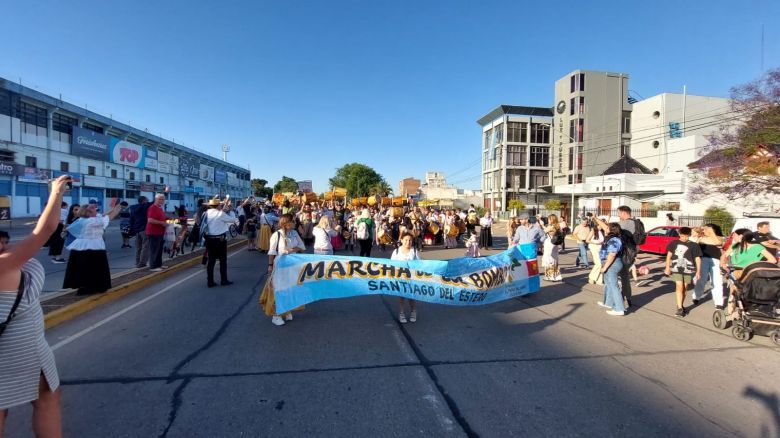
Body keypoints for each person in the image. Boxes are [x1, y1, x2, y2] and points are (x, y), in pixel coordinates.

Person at [0, 175, 70, 438]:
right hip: (19, 350)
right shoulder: (5, 264)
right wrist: (55, 192)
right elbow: (45, 229)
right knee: (46, 399)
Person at [62, 198, 122, 295]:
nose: (96, 210)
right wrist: (117, 209)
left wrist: (113, 208)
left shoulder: (86, 219)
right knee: (93, 267)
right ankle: (92, 287)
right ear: (88, 212)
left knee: (84, 267)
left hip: (83, 246)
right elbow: (109, 218)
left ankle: (88, 286)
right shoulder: (91, 221)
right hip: (92, 246)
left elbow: (103, 215)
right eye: (93, 209)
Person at [262, 213, 306, 326]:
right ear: (286, 223)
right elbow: (272, 252)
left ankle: (287, 310)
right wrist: (270, 265)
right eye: (293, 221)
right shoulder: (277, 235)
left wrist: (291, 250)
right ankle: (276, 315)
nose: (295, 223)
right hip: (280, 265)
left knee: (290, 288)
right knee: (279, 289)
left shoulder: (294, 233)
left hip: (293, 265)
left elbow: (302, 246)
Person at [664, 227, 703, 318]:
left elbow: (698, 258)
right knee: (679, 286)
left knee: (684, 288)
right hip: (676, 269)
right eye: (682, 236)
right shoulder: (674, 243)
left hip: (688, 270)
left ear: (689, 235)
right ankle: (680, 308)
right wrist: (667, 267)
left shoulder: (694, 245)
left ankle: (680, 305)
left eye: (686, 236)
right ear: (679, 234)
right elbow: (669, 256)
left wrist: (698, 271)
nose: (684, 238)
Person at [201, 197, 239, 287]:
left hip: (209, 239)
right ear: (218, 205)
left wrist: (224, 211)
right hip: (220, 240)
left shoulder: (206, 213)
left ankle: (210, 281)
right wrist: (230, 210)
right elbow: (233, 220)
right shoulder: (220, 214)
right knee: (223, 260)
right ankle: (223, 280)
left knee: (211, 261)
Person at [693, 224, 725, 309]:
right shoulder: (701, 238)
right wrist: (698, 232)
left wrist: (711, 232)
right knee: (701, 279)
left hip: (716, 261)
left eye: (705, 229)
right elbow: (694, 242)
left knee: (717, 282)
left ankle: (719, 303)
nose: (704, 230)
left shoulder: (719, 238)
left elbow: (718, 242)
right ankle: (696, 296)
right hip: (703, 259)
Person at [597, 223, 626, 316]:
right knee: (608, 284)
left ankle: (619, 308)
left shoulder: (614, 240)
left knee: (613, 286)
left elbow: (612, 254)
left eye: (607, 228)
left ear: (612, 230)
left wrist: (605, 267)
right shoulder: (612, 238)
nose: (605, 229)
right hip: (609, 263)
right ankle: (608, 303)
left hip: (612, 264)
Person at [392, 232, 420, 323]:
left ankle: (413, 311)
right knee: (401, 296)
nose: (408, 242)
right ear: (401, 240)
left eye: (410, 240)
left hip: (411, 277)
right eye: (406, 240)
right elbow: (391, 265)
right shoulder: (396, 251)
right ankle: (401, 313)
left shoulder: (415, 251)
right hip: (400, 277)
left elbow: (420, 264)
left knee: (411, 296)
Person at [146, 194, 168, 272]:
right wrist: (162, 223)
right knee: (154, 249)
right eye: (160, 199)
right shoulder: (152, 208)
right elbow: (150, 220)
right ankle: (153, 266)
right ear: (156, 199)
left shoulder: (160, 208)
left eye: (163, 199)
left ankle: (159, 265)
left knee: (159, 249)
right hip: (153, 232)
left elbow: (161, 218)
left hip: (160, 232)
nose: (162, 201)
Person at [128, 196, 151, 268]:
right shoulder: (145, 206)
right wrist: (164, 192)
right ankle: (142, 263)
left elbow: (131, 220)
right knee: (145, 246)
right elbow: (154, 202)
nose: (148, 201)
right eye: (147, 200)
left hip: (137, 230)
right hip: (144, 229)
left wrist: (132, 230)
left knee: (138, 247)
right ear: (144, 201)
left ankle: (137, 262)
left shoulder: (132, 208)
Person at [542, 216, 562, 282]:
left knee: (549, 259)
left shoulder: (551, 226)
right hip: (555, 244)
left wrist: (542, 225)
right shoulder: (558, 226)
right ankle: (556, 275)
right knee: (555, 259)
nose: (548, 220)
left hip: (549, 243)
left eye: (549, 219)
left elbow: (544, 231)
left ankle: (550, 276)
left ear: (552, 220)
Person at [587, 219, 605, 285]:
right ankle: (591, 277)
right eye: (601, 225)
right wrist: (595, 243)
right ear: (597, 225)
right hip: (594, 248)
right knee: (598, 264)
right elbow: (587, 240)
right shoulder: (593, 231)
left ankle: (599, 280)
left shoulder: (601, 231)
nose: (602, 226)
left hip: (600, 248)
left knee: (601, 264)